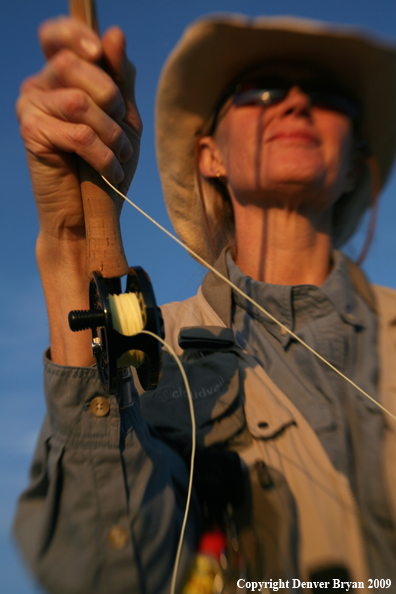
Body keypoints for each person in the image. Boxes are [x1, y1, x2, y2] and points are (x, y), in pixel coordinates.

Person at [14, 11, 396, 594]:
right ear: (210, 156)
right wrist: (69, 240)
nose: (295, 103)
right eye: (261, 90)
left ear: (353, 169)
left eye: (327, 99)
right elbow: (107, 572)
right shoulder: (155, 353)